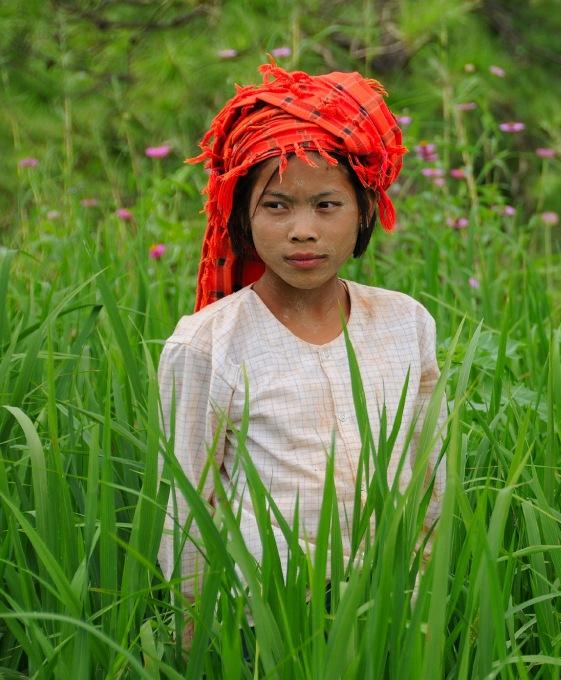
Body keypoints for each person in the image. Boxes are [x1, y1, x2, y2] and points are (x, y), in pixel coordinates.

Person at [157, 62, 445, 608]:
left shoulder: (406, 323)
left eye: (326, 204)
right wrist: (192, 634)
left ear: (364, 212)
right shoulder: (206, 344)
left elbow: (432, 476)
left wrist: (433, 604)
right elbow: (187, 508)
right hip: (265, 615)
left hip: (393, 606)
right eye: (277, 205)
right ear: (241, 217)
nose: (304, 229)